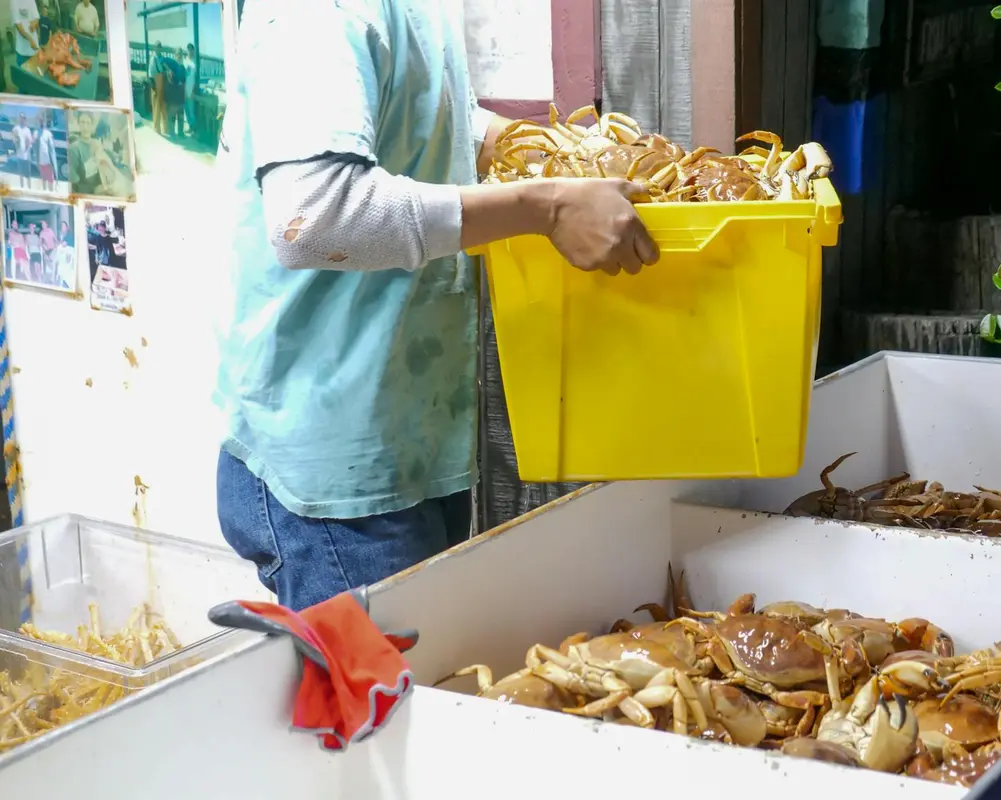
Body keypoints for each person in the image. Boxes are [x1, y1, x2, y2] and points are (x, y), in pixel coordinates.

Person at [218, 0, 659, 611]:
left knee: (429, 692)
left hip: (407, 441)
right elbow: (312, 217)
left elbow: (415, 113)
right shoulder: (318, 12)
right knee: (389, 706)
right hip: (335, 472)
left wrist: (529, 146)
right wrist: (547, 207)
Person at [11, 0, 40, 70]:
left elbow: (37, 17)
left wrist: (34, 23)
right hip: (22, 51)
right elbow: (18, 25)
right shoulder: (14, 2)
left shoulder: (31, 1)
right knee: (24, 77)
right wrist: (30, 39)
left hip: (34, 49)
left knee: (35, 75)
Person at [11, 113, 34, 190]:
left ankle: (29, 189)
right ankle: (22, 189)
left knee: (28, 175)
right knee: (21, 174)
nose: (22, 119)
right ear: (19, 118)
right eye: (20, 117)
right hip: (19, 156)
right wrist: (14, 139)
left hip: (27, 156)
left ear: (25, 119)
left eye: (23, 117)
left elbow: (30, 141)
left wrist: (29, 142)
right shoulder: (16, 128)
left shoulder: (27, 130)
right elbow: (13, 138)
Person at [149, 41, 166, 135]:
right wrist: (153, 85)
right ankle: (157, 128)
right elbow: (150, 73)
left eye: (159, 46)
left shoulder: (162, 58)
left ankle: (164, 128)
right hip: (155, 83)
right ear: (155, 48)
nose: (158, 48)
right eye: (157, 47)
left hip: (162, 83)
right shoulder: (153, 58)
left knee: (163, 107)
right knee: (156, 107)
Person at [35, 116, 56, 191]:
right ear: (39, 122)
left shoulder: (48, 133)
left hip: (48, 161)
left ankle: (51, 194)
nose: (41, 122)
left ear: (45, 122)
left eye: (42, 121)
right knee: (43, 179)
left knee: (50, 180)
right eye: (40, 121)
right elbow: (32, 142)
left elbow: (52, 147)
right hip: (41, 161)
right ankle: (45, 193)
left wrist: (52, 161)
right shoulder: (36, 133)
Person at [182, 43, 197, 137]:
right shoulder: (185, 61)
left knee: (191, 110)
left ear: (193, 51)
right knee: (186, 110)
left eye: (191, 50)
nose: (190, 51)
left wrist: (194, 90)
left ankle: (194, 129)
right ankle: (190, 127)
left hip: (191, 90)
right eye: (188, 50)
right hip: (184, 89)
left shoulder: (195, 61)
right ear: (187, 51)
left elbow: (196, 77)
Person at [54, 218, 73, 289]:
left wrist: (58, 244)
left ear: (67, 227)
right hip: (64, 256)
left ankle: (63, 283)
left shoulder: (69, 235)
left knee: (65, 270)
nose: (62, 228)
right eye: (61, 226)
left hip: (69, 256)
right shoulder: (63, 235)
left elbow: (63, 245)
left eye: (63, 226)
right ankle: (61, 282)